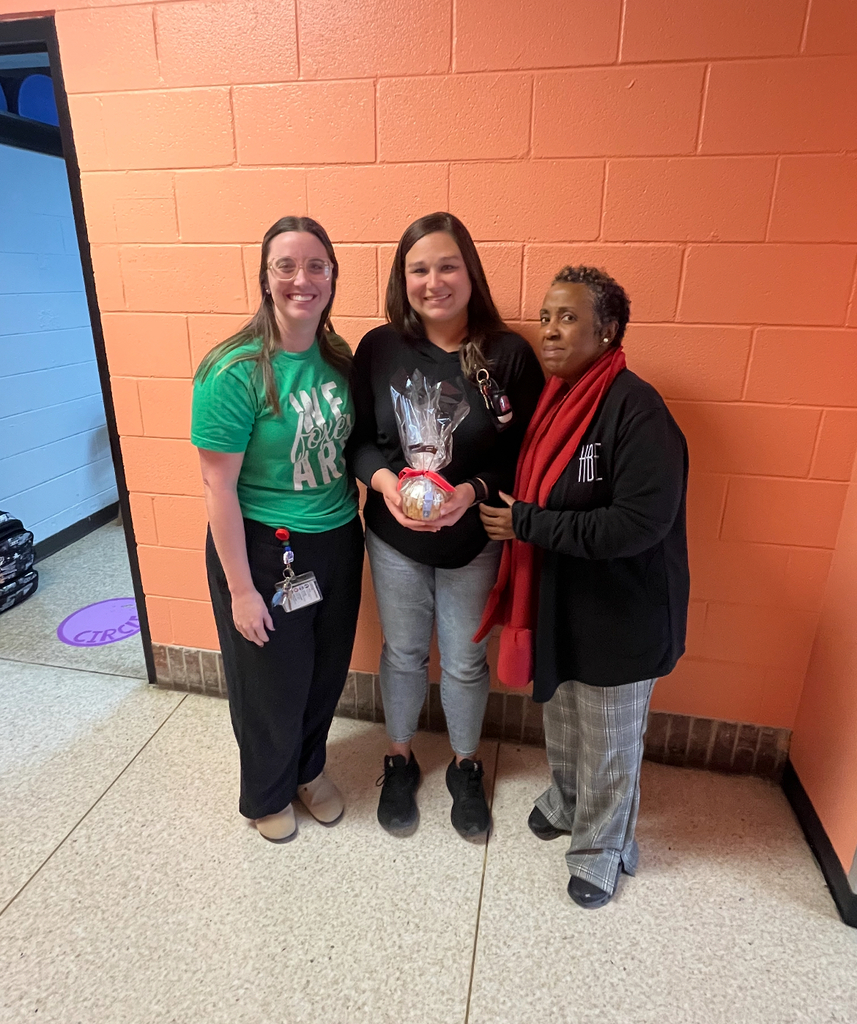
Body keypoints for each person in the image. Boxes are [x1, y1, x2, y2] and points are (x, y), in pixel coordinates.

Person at [478, 265, 689, 907]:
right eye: (545, 317)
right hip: (562, 599)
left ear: (608, 331)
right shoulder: (555, 402)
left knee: (609, 739)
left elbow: (638, 522)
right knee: (563, 710)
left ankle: (602, 847)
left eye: (567, 318)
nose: (549, 331)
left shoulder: (636, 409)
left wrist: (528, 523)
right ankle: (567, 800)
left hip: (623, 612)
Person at [350, 212, 544, 839]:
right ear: (401, 279)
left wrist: (471, 492)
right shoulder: (379, 348)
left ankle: (465, 766)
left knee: (464, 659)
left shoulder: (508, 354)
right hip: (394, 535)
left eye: (447, 265)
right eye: (419, 269)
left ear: (470, 272)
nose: (434, 281)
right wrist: (389, 484)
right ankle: (399, 757)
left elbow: (527, 454)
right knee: (404, 650)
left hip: (474, 536)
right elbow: (357, 443)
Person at [191, 216, 363, 844]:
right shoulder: (233, 370)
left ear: (332, 277)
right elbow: (219, 489)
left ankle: (308, 769)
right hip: (265, 548)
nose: (302, 278)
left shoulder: (340, 359)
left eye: (316, 265)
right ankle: (266, 792)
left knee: (324, 672)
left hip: (341, 537)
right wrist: (240, 589)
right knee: (271, 682)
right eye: (285, 266)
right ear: (265, 279)